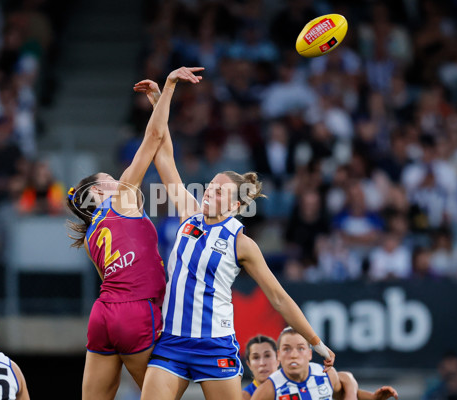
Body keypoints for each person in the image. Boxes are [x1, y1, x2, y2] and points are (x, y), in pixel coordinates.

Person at [133, 75, 334, 400]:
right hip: (171, 342)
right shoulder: (189, 214)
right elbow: (165, 156)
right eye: (210, 186)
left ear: (237, 204)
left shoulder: (242, 242)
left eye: (220, 190)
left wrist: (316, 343)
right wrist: (161, 100)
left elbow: (279, 298)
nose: (210, 191)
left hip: (215, 346)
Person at [66, 67, 204, 399]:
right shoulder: (123, 197)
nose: (118, 178)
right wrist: (168, 87)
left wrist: (157, 100)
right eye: (109, 179)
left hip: (102, 315)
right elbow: (154, 142)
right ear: (100, 193)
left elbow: (162, 154)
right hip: (136, 311)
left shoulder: (89, 236)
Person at [250, 328, 398, 400]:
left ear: (309, 354)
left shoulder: (326, 376)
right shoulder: (268, 390)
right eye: (287, 349)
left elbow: (344, 387)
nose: (294, 354)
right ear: (279, 355)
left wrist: (373, 398)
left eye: (300, 348)